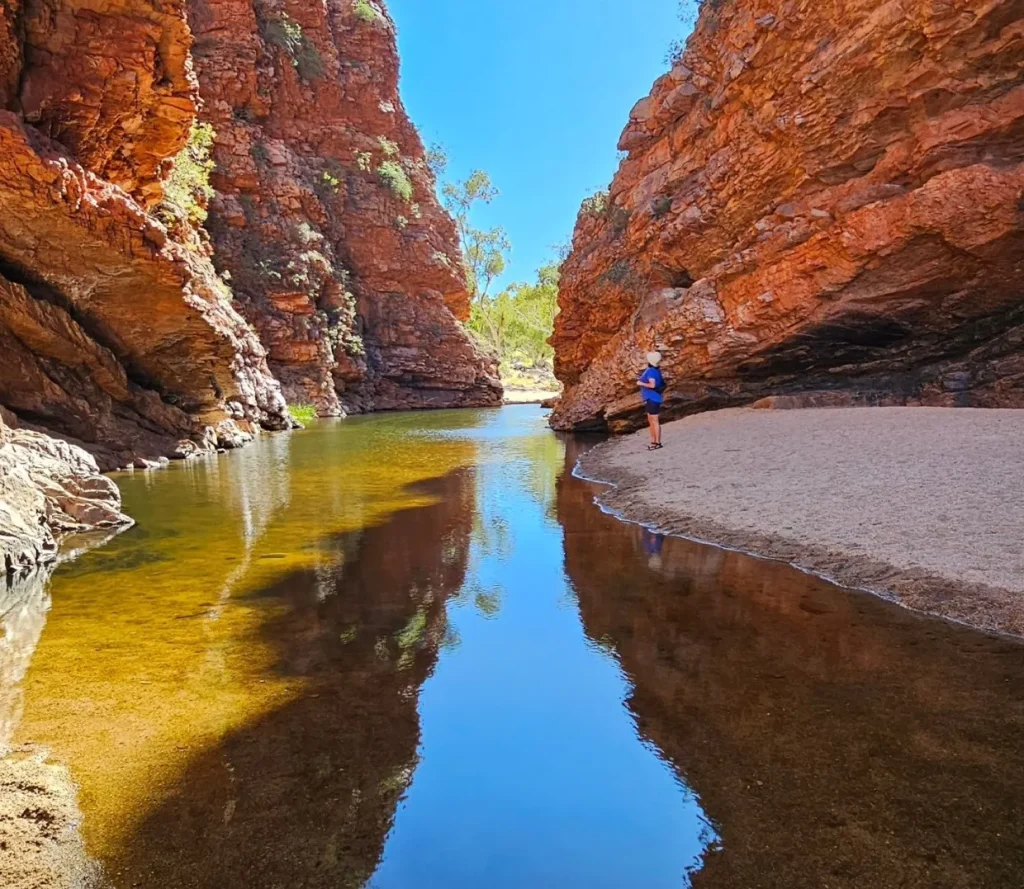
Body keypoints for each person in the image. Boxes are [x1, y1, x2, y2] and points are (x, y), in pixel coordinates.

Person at [637, 351, 665, 451]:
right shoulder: (655, 370)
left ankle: (657, 443)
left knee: (654, 421)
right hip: (652, 398)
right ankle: (653, 441)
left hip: (653, 398)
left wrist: (640, 383)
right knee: (651, 421)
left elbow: (652, 385)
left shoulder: (651, 371)